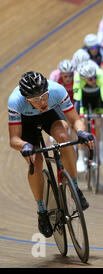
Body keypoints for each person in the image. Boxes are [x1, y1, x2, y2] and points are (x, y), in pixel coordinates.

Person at [8, 71, 93, 238]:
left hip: (50, 116)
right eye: (35, 99)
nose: (42, 101)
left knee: (64, 138)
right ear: (26, 99)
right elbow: (14, 139)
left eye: (44, 96)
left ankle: (75, 187)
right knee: (36, 161)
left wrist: (82, 132)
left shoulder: (57, 90)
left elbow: (75, 120)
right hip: (26, 123)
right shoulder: (15, 101)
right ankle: (41, 210)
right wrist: (24, 146)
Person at [73, 61, 103, 172]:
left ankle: (99, 146)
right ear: (83, 78)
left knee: (98, 123)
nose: (93, 81)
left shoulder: (101, 74)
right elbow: (77, 99)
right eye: (90, 79)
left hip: (97, 99)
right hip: (84, 99)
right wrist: (77, 117)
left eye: (94, 78)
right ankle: (80, 156)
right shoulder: (77, 78)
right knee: (82, 125)